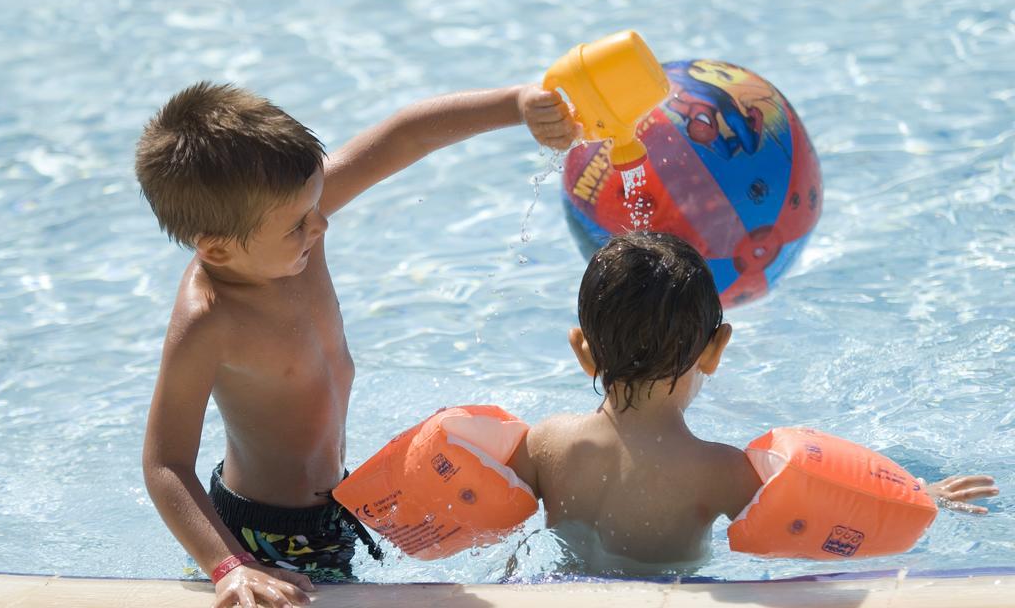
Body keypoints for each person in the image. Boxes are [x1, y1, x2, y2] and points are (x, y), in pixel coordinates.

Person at [137, 81, 579, 607]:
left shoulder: (285, 229)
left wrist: (516, 104)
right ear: (218, 249)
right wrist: (231, 567)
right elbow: (165, 464)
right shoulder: (210, 321)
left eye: (317, 205)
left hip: (338, 505)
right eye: (298, 225)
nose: (321, 224)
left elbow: (404, 136)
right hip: (262, 538)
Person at [507, 231, 999, 575]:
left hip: (555, 586)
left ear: (582, 351)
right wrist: (919, 496)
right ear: (716, 350)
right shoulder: (718, 470)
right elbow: (829, 511)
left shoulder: (547, 441)